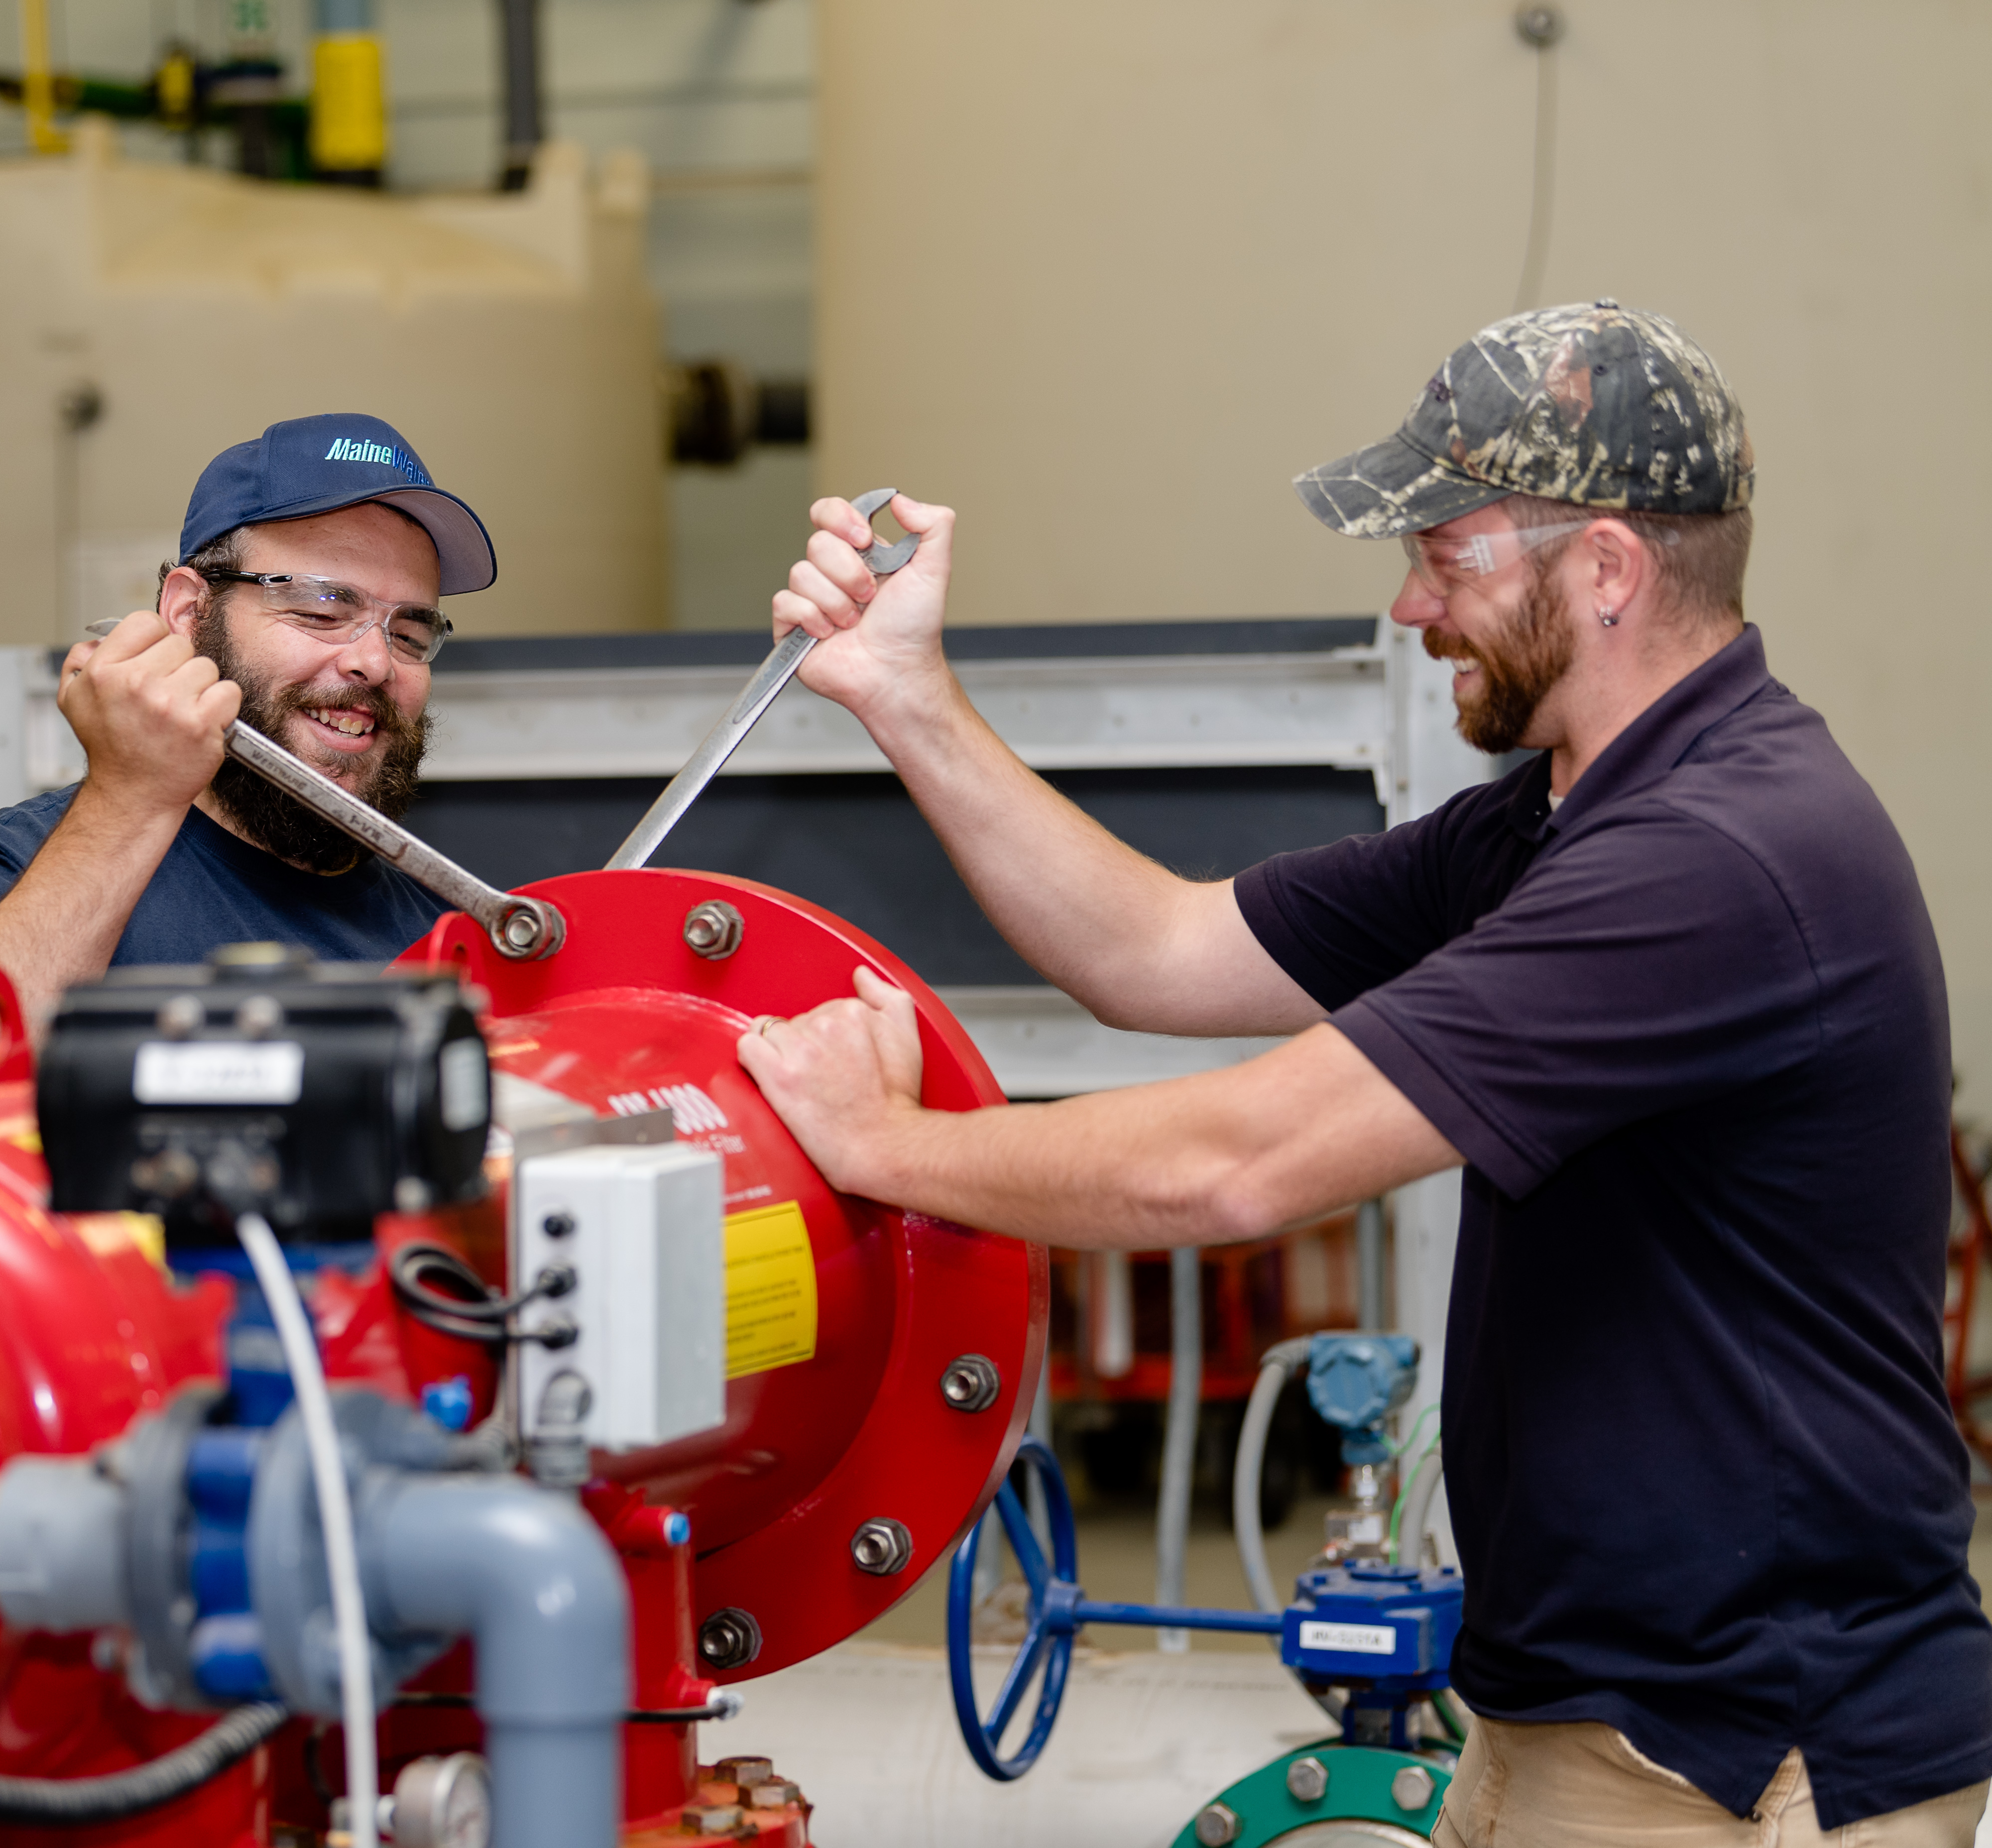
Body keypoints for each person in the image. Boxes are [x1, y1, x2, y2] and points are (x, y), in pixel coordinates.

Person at [739, 302, 1992, 1845]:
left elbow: (1232, 1165)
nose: (1411, 607)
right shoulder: (1554, 822)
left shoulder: (1715, 858)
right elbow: (1162, 953)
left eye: (1448, 557)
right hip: (1575, 1718)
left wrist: (885, 1146)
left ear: (1606, 569)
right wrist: (908, 699)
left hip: (1751, 1763)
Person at [0, 412, 492, 1106]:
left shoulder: (452, 934)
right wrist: (130, 795)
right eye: (322, 609)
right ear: (189, 615)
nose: (374, 660)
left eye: (411, 632)